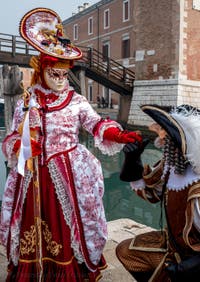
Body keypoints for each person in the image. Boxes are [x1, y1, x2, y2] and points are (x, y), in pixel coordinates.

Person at [0, 8, 142, 282]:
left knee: (69, 223)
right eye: (56, 72)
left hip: (67, 171)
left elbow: (95, 123)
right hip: (32, 175)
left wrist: (118, 134)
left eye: (66, 74)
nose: (62, 78)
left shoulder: (76, 100)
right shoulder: (26, 101)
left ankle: (69, 269)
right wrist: (21, 146)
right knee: (31, 224)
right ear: (42, 68)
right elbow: (11, 138)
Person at [116, 104, 200, 282]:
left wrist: (187, 268)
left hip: (194, 260)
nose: (161, 137)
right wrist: (133, 159)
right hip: (174, 247)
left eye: (165, 133)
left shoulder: (197, 187)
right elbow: (150, 194)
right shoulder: (172, 166)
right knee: (126, 251)